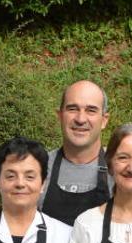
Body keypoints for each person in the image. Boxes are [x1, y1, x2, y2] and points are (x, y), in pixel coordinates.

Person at [39, 80, 112, 226]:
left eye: (91, 110)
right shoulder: (39, 168)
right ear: (60, 116)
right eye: (72, 109)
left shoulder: (120, 170)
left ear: (104, 120)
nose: (80, 119)